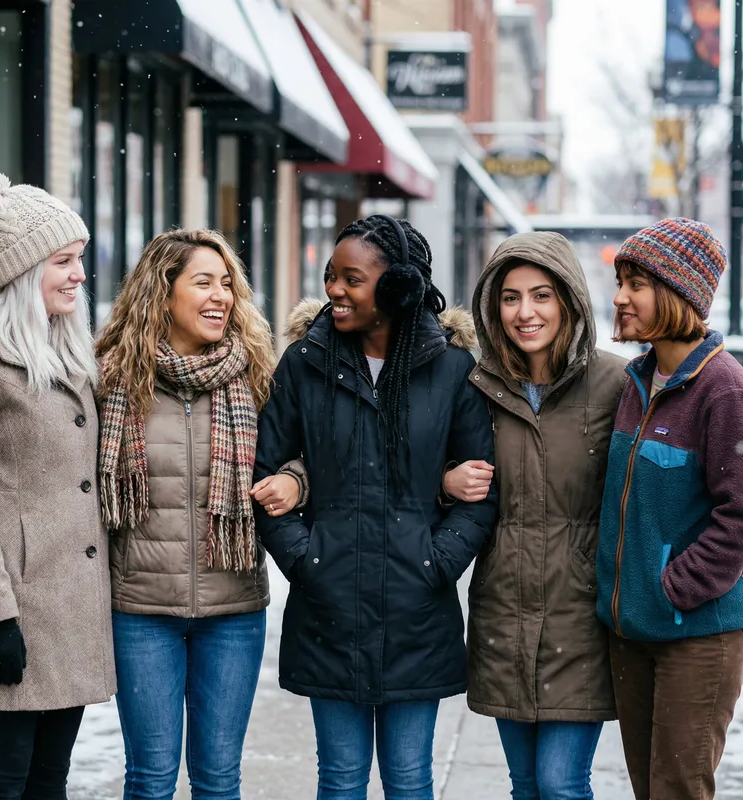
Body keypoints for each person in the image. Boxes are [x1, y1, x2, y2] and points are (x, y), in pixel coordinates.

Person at [253, 214, 498, 800]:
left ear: (399, 287)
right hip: (328, 610)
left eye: (352, 279)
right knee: (339, 779)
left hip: (419, 613)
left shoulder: (453, 372)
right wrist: (308, 562)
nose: (334, 290)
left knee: (410, 779)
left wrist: (433, 564)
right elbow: (266, 477)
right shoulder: (305, 365)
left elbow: (483, 494)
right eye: (331, 276)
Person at [95, 228, 306, 800]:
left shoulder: (258, 378)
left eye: (228, 284)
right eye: (203, 283)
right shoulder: (112, 379)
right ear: (163, 294)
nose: (221, 296)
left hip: (233, 609)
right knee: (151, 779)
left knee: (218, 781)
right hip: (141, 609)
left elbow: (309, 455)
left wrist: (294, 478)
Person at [0, 170, 115, 798]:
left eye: (79, 261)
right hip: (14, 606)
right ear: (23, 269)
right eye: (64, 262)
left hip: (68, 609)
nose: (79, 275)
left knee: (50, 779)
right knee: (2, 776)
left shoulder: (67, 350)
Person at [443, 231, 627, 799]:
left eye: (542, 295)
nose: (526, 312)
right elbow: (415, 464)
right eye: (511, 297)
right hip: (505, 611)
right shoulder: (475, 386)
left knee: (561, 783)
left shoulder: (617, 383)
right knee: (525, 784)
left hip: (581, 616)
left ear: (569, 299)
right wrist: (445, 482)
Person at [596, 218, 743, 800]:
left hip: (696, 635)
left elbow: (740, 518)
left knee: (677, 790)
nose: (619, 297)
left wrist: (672, 587)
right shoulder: (635, 381)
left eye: (635, 283)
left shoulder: (723, 389)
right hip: (630, 630)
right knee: (646, 788)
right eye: (620, 282)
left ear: (679, 292)